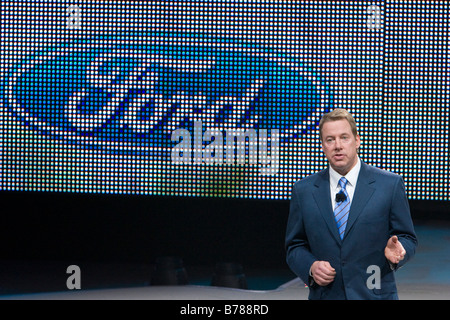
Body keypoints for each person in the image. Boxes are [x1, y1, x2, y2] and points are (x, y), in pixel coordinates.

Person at [285, 108, 418, 300]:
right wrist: (311, 267)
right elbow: (295, 246)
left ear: (357, 141)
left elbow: (408, 237)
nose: (337, 145)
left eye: (344, 137)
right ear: (323, 145)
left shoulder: (389, 185)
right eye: (330, 139)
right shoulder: (304, 191)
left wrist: (399, 251)